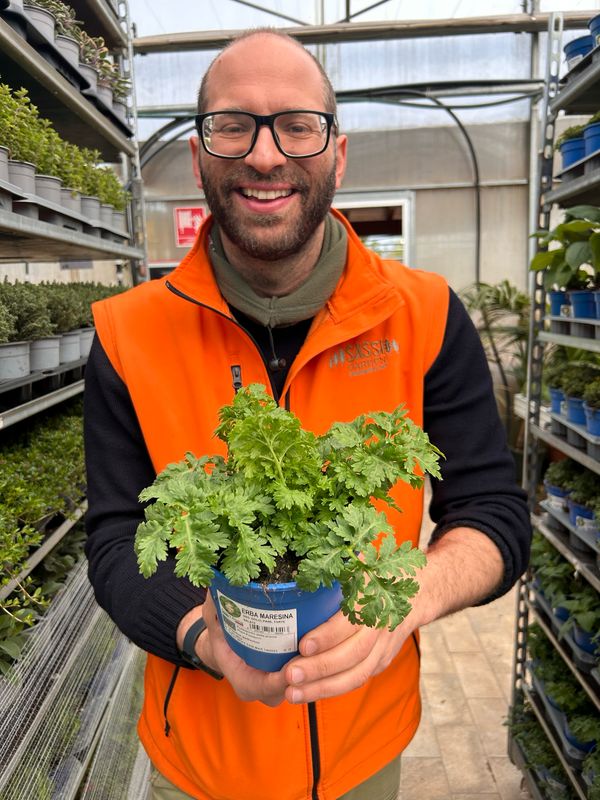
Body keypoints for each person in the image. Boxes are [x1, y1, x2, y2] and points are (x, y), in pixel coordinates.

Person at [84, 28, 531, 800]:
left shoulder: (423, 313)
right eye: (233, 125)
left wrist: (404, 601)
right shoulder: (127, 333)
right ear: (199, 157)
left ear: (338, 153)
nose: (265, 155)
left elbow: (494, 514)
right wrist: (206, 639)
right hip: (198, 763)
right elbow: (118, 539)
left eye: (297, 125)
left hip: (364, 750)